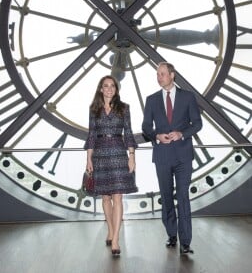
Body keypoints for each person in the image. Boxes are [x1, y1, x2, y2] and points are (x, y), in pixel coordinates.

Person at [142, 62, 202, 255]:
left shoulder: (188, 97)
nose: (159, 77)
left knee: (183, 197)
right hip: (162, 156)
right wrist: (156, 136)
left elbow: (197, 124)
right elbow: (145, 127)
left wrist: (182, 134)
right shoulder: (151, 100)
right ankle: (172, 235)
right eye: (157, 75)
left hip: (184, 155)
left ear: (172, 75)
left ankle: (186, 242)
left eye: (162, 74)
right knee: (167, 197)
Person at [84, 75, 138, 257]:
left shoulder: (124, 108)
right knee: (105, 198)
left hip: (118, 154)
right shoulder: (94, 110)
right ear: (101, 89)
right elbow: (91, 135)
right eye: (105, 86)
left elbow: (129, 133)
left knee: (118, 197)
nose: (109, 88)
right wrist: (88, 159)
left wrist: (132, 156)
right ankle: (110, 229)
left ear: (116, 89)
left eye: (112, 86)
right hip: (99, 154)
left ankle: (115, 239)